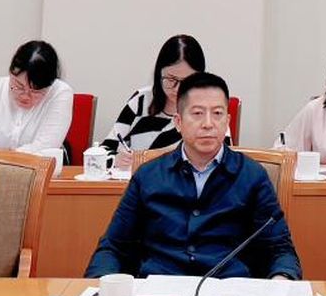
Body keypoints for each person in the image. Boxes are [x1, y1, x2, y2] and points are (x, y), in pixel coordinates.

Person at [86, 72, 300, 279]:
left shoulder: (252, 176)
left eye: (217, 114)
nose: (208, 123)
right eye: (197, 113)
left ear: (227, 121)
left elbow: (280, 249)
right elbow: (113, 247)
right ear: (178, 122)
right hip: (160, 290)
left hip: (228, 292)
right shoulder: (148, 176)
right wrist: (102, 284)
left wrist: (281, 280)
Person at [99, 34, 213, 169]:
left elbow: (226, 160)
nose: (178, 89)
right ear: (159, 74)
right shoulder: (141, 101)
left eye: (187, 81)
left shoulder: (211, 106)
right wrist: (115, 159)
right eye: (171, 79)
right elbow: (103, 150)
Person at [0, 40, 73, 156]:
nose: (25, 96)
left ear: (50, 85)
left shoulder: (60, 93)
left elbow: (44, 150)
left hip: (39, 167)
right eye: (19, 86)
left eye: (35, 91)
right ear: (11, 73)